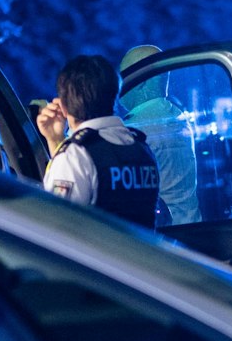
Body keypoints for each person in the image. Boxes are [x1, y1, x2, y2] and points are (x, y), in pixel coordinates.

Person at [37, 54, 161, 226]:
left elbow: (56, 226)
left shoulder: (75, 156)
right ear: (114, 96)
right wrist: (55, 140)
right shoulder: (142, 149)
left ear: (63, 107)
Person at [118, 44, 202, 227]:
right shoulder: (177, 116)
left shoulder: (137, 127)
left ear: (140, 81)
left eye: (123, 77)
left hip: (161, 234)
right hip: (192, 225)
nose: (120, 85)